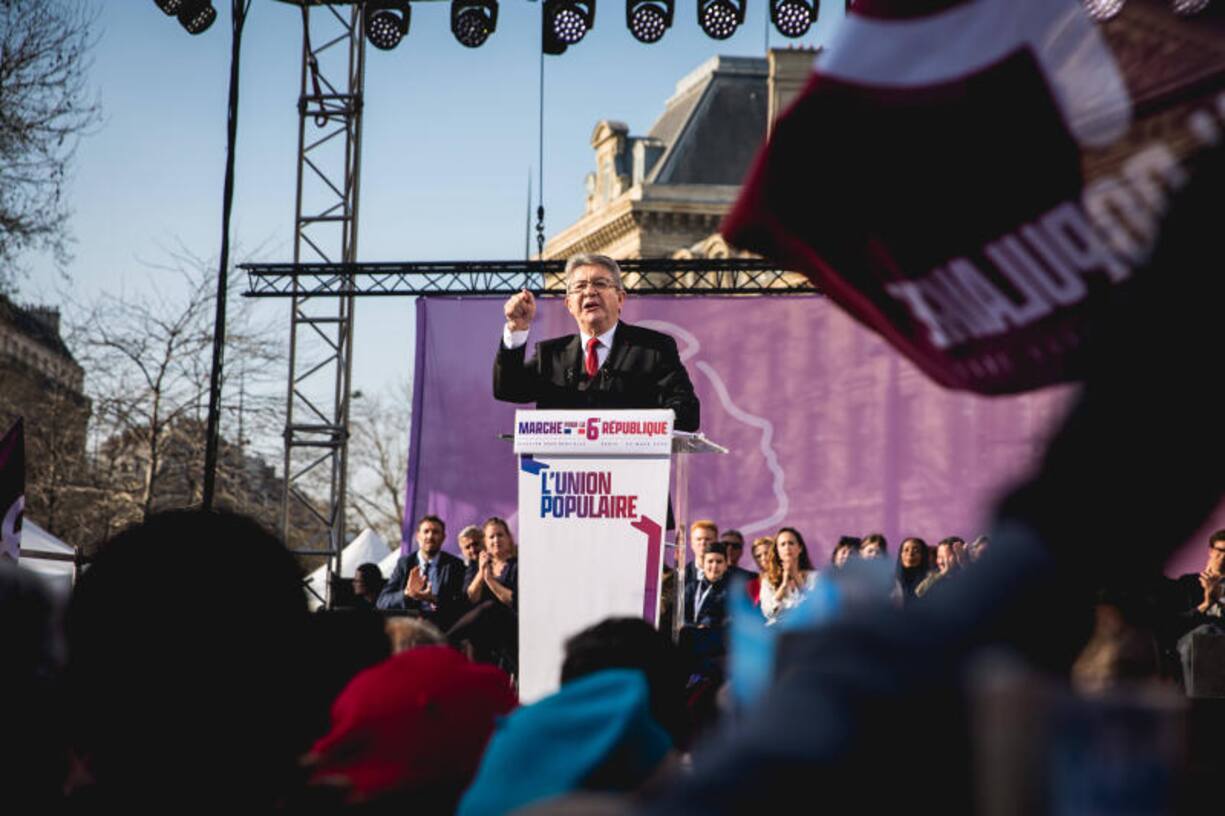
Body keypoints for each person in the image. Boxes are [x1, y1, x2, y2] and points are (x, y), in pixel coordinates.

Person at [493, 253, 700, 431]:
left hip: (631, 464)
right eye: (580, 286)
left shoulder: (654, 349)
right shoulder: (550, 355)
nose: (590, 291)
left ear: (620, 299)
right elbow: (509, 388)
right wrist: (516, 328)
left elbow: (687, 411)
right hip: (563, 466)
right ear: (569, 304)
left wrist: (640, 427)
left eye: (600, 284)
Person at [448, 517, 519, 673]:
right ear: (485, 542)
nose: (496, 540)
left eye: (500, 535)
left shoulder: (517, 565)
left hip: (513, 626)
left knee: (490, 607)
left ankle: (443, 641)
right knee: (473, 637)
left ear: (509, 538)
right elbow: (471, 599)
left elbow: (514, 600)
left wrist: (490, 580)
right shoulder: (476, 566)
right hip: (487, 631)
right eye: (491, 537)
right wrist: (481, 573)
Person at [377, 515, 467, 629]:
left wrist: (434, 600)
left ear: (443, 537)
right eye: (426, 531)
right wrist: (407, 593)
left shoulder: (455, 565)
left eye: (435, 532)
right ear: (418, 536)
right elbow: (382, 602)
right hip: (409, 626)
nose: (430, 536)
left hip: (442, 628)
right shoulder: (404, 563)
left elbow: (461, 604)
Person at [759, 527, 817, 624]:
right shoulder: (768, 580)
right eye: (783, 544)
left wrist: (795, 575)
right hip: (779, 630)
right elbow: (768, 612)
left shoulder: (814, 577)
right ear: (777, 551)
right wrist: (784, 585)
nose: (787, 547)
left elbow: (815, 607)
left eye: (791, 543)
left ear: (800, 548)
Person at [684, 541, 731, 628]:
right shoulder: (691, 588)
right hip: (688, 634)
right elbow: (680, 616)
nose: (714, 566)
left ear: (725, 565)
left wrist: (707, 625)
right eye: (710, 561)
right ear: (703, 564)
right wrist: (695, 628)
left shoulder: (731, 593)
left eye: (719, 562)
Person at [894, 537, 932, 606]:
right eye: (906, 550)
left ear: (923, 555)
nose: (910, 554)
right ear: (900, 554)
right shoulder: (890, 581)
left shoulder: (931, 580)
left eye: (916, 550)